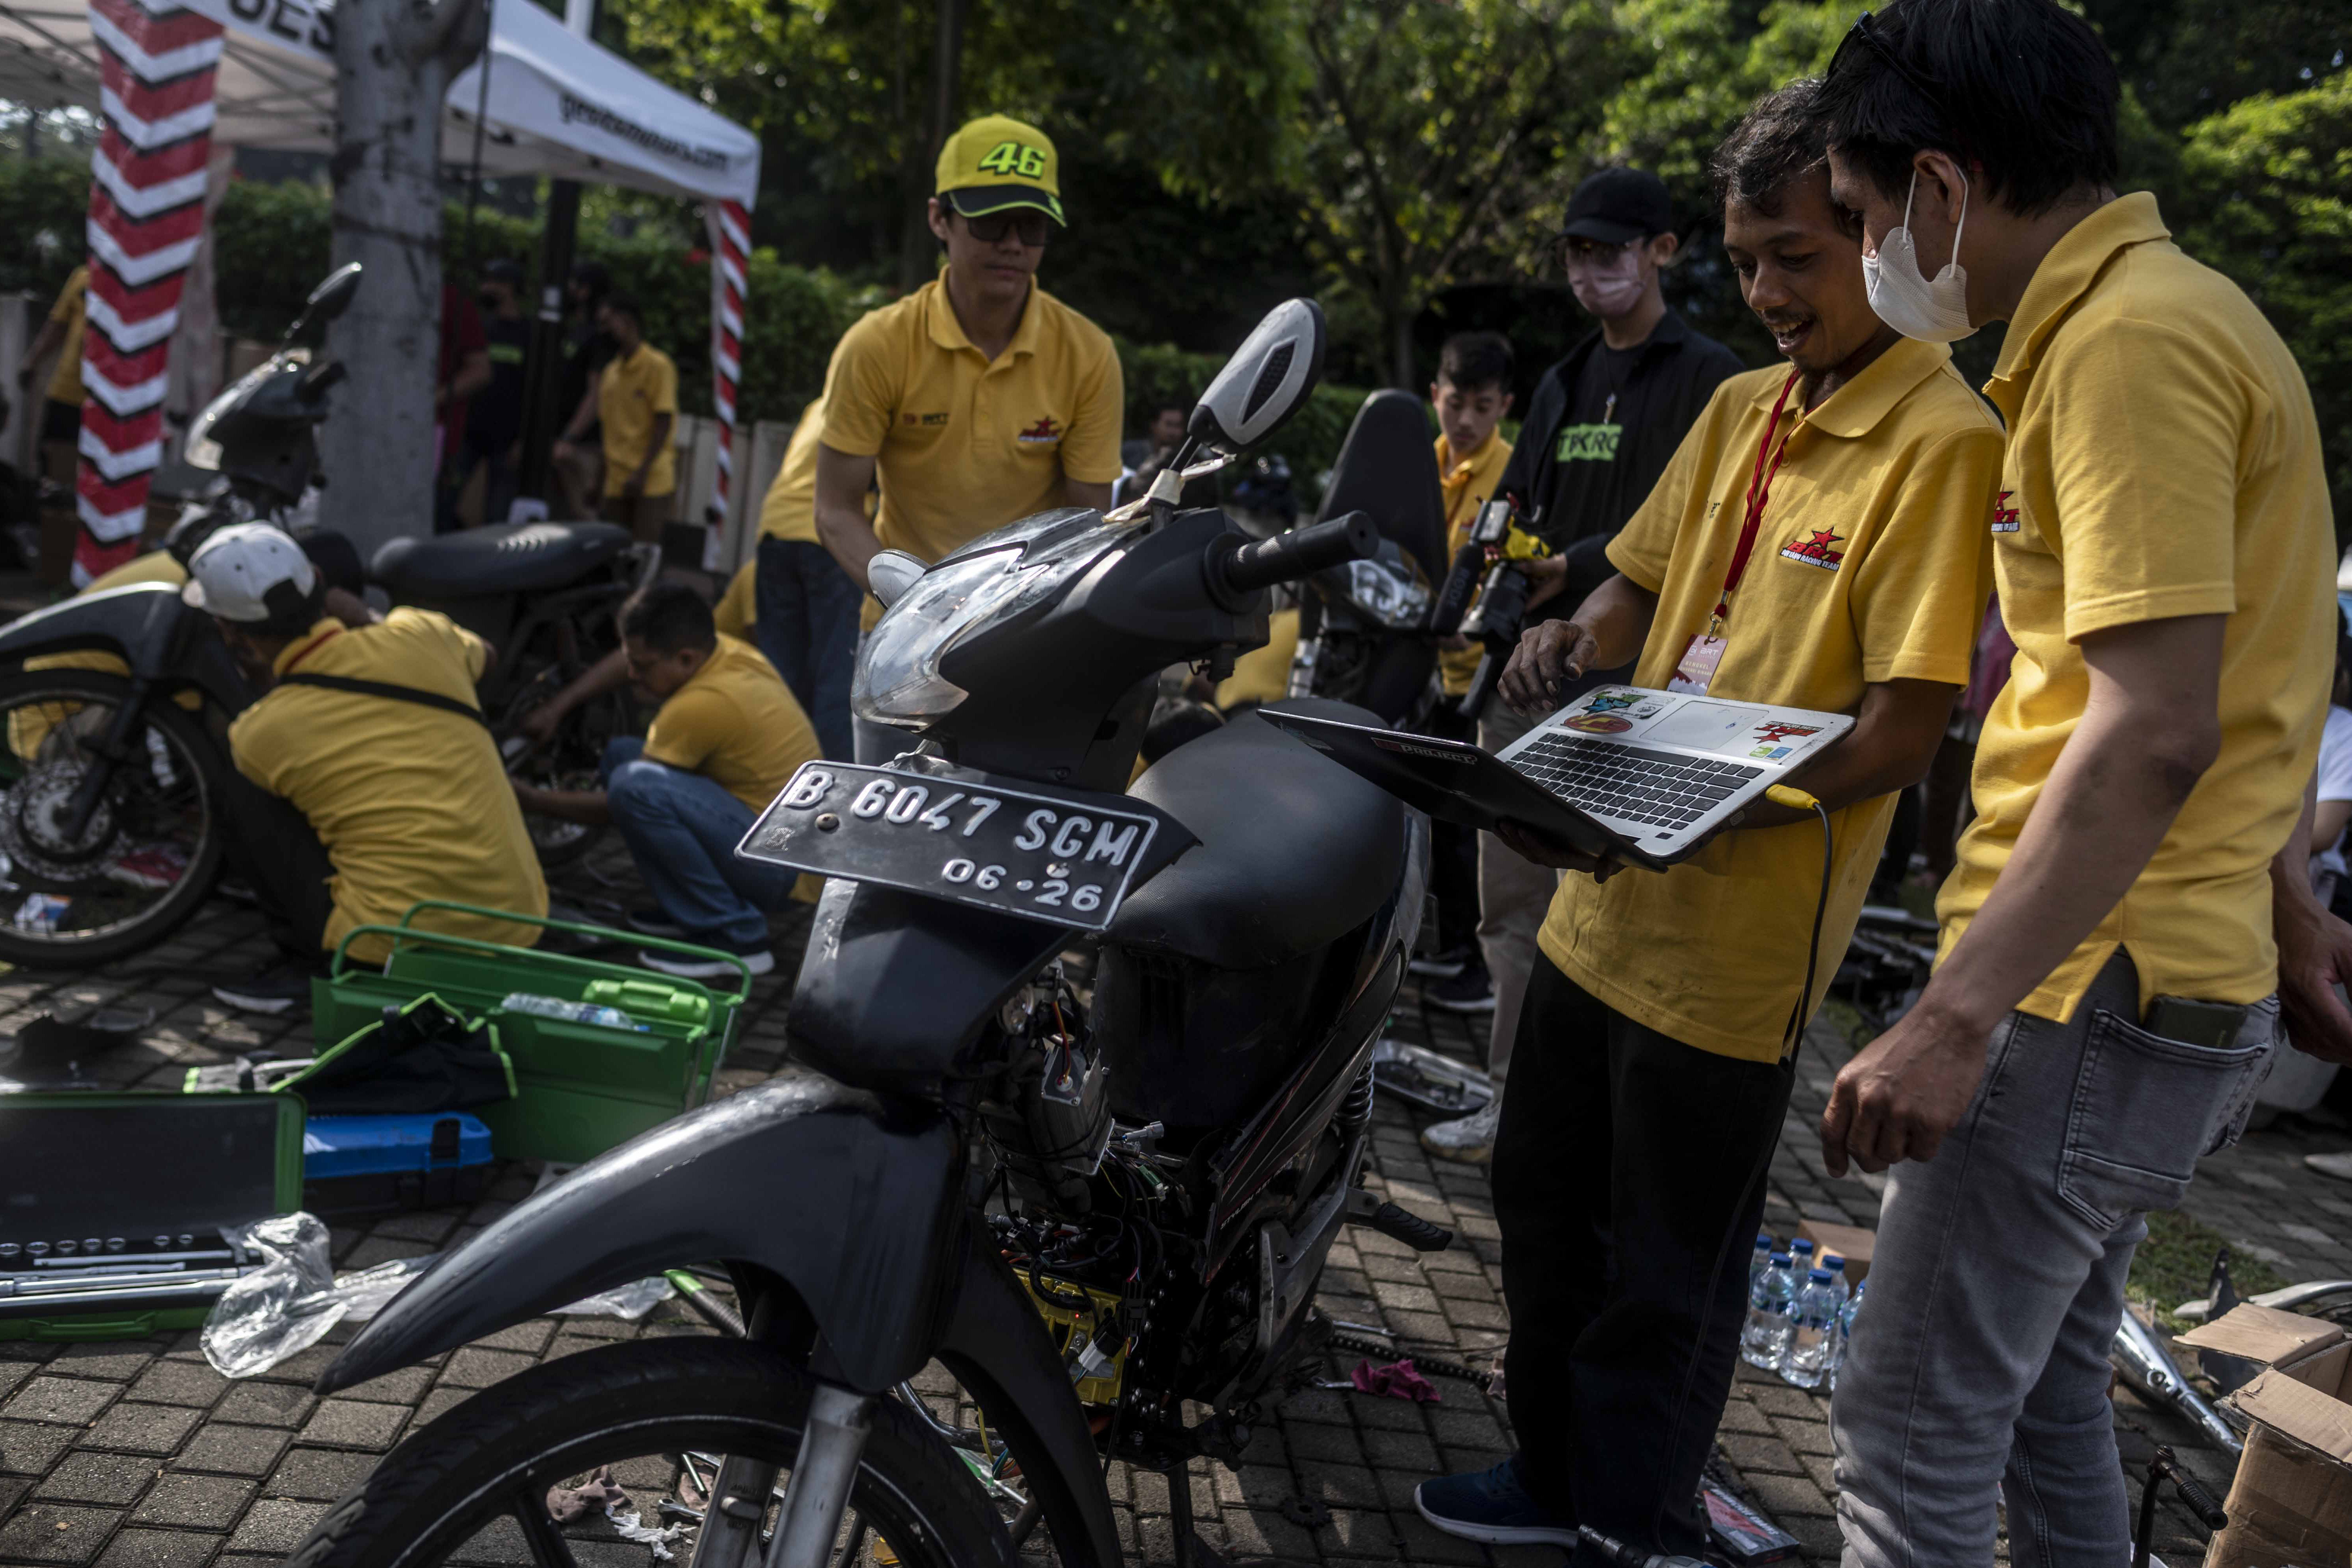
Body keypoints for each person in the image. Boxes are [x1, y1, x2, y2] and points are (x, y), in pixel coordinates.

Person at [1412, 81, 2002, 1556]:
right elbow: (1633, 584)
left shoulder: (1940, 434)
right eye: (1745, 260)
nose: (1764, 292)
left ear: (1876, 236)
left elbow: (1901, 728)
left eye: (1795, 256)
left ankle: (1635, 1511)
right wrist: (1575, 642)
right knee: (1541, 1202)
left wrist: (1703, 801)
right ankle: (1550, 1472)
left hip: (1737, 950)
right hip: (1600, 903)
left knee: (1667, 1265)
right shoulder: (1740, 405)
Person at [1810, 2, 2341, 1558]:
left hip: (2079, 999)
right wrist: (2295, 915)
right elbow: (2249, 688)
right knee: (2045, 1402)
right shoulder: (2170, 320)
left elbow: (2155, 725)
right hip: (2149, 979)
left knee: (1906, 1446)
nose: (1865, 258)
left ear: (1941, 189)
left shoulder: (2129, 342)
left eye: (1857, 219)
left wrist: (1952, 1012)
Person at [1447, 169, 1746, 1152]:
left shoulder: (1710, 380)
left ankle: (1593, 1131)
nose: (1588, 271)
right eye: (1575, 251)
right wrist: (1499, 569)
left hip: (1630, 689)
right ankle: (1510, 1103)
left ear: (1664, 251)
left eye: (1609, 251)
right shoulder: (1564, 378)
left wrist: (1574, 569)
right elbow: (1515, 512)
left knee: (1606, 918)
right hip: (1528, 678)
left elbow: (1696, 534)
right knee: (1510, 911)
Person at [813, 114, 1123, 760]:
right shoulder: (877, 345)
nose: (1011, 244)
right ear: (939, 219)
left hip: (1029, 645)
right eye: (989, 221)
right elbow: (835, 509)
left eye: (1031, 225)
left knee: (1009, 852)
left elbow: (1086, 523)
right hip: (900, 642)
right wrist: (913, 602)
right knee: (888, 848)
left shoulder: (1088, 355)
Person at [185, 524, 548, 1012]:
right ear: (318, 580)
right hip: (520, 926)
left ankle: (306, 966)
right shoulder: (422, 634)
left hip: (385, 945)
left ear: (230, 630)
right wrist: (373, 621)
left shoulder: (261, 732)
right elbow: (487, 655)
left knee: (239, 789)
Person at [512, 582, 821, 979]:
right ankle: (690, 908)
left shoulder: (701, 704)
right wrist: (562, 704)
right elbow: (622, 663)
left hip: (782, 874)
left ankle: (736, 937)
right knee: (623, 753)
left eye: (641, 667)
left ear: (685, 659)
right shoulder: (726, 652)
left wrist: (531, 799)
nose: (630, 675)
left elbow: (616, 805)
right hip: (784, 849)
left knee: (633, 786)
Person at [1416, 331, 1520, 1153]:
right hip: (1415, 661)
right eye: (1457, 402)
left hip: (1470, 675)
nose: (1468, 420)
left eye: (1484, 407)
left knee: (1461, 823)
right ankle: (1442, 946)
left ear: (1505, 409)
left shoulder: (1509, 475)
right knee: (1424, 809)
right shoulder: (1422, 458)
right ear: (1435, 392)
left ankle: (1466, 962)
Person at [751, 399, 864, 760]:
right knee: (836, 674)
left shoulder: (819, 405)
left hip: (775, 530)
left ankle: (768, 776)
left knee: (781, 674)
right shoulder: (874, 406)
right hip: (828, 538)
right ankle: (833, 786)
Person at [556, 295, 676, 545]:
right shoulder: (611, 374)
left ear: (627, 322)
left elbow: (663, 423)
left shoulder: (658, 366)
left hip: (650, 482)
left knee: (643, 554)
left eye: (608, 324)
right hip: (615, 484)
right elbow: (610, 433)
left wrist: (642, 473)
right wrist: (598, 482)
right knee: (615, 555)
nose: (604, 331)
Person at [453, 258, 529, 529]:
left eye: (492, 283)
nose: (485, 288)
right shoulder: (481, 327)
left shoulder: (528, 333)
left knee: (498, 517)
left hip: (507, 441)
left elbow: (533, 392)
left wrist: (523, 439)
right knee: (446, 498)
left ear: (509, 288)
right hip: (470, 433)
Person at [553, 263, 619, 518]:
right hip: (563, 445)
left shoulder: (600, 337)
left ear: (585, 291)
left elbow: (597, 394)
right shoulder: (573, 330)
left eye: (573, 284)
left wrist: (570, 437)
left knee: (586, 517)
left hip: (584, 446)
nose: (567, 290)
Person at [16, 265, 88, 485]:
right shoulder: (83, 277)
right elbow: (57, 326)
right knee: (53, 471)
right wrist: (31, 362)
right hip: (67, 391)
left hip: (112, 403)